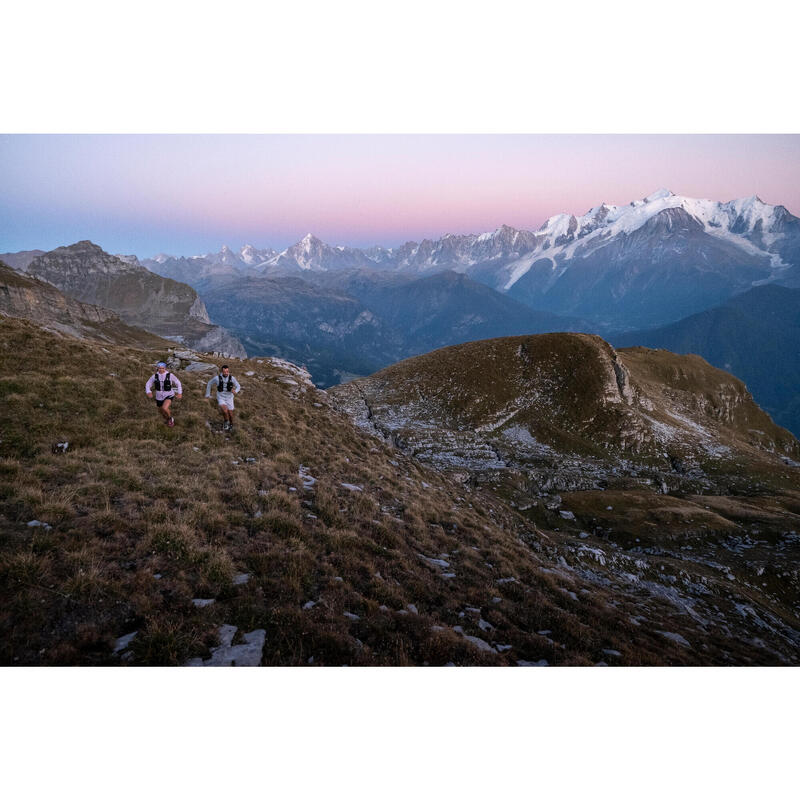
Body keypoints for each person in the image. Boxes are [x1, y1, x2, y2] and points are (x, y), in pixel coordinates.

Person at [145, 361, 183, 427]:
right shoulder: (155, 376)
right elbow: (148, 384)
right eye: (159, 368)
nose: (161, 369)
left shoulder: (170, 375)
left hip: (169, 394)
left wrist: (180, 393)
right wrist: (148, 391)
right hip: (159, 396)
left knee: (164, 408)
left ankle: (170, 419)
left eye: (163, 368)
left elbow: (178, 383)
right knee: (161, 411)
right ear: (157, 368)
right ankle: (167, 419)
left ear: (165, 368)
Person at [205, 364, 241, 431]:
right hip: (221, 397)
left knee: (230, 414)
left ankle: (231, 424)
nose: (226, 373)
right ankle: (226, 422)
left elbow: (238, 386)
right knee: (225, 410)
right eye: (224, 372)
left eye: (227, 371)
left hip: (229, 398)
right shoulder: (217, 378)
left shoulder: (232, 378)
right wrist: (207, 394)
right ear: (222, 372)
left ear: (228, 371)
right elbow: (209, 383)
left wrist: (235, 391)